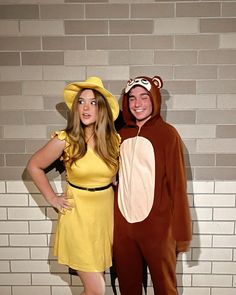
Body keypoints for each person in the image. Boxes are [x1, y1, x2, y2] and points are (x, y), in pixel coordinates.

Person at [27, 76, 120, 295]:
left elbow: (114, 176)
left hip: (103, 219)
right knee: (97, 289)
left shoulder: (113, 141)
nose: (86, 108)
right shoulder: (66, 139)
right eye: (81, 102)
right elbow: (34, 166)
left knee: (96, 286)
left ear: (102, 109)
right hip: (78, 218)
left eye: (93, 102)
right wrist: (52, 198)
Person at [113, 75, 192, 295]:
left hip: (157, 228)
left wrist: (182, 231)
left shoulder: (167, 134)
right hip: (123, 228)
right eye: (132, 99)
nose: (137, 104)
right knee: (128, 287)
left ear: (154, 99)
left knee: (164, 287)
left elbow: (177, 184)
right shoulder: (121, 135)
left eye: (144, 98)